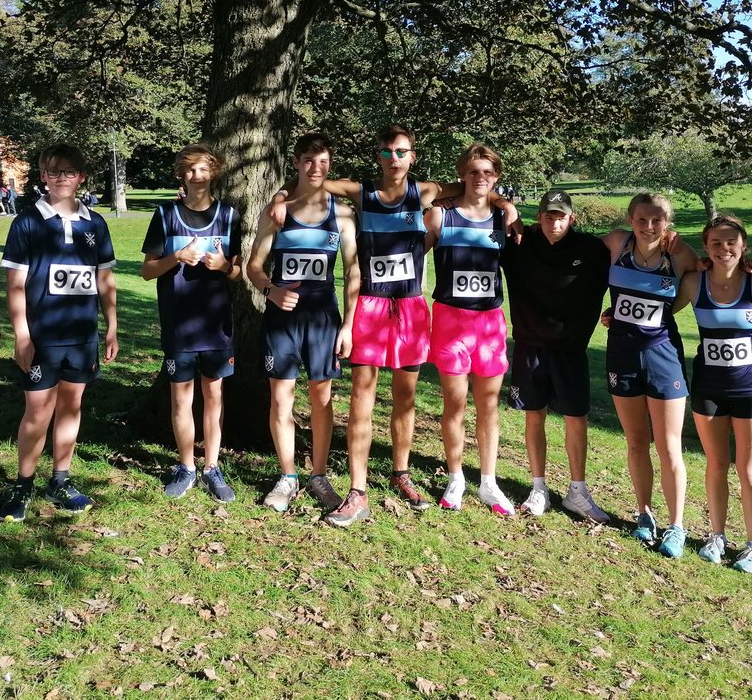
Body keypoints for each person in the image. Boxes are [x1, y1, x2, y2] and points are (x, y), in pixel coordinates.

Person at [270, 125, 520, 527]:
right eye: (386, 152)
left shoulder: (425, 193)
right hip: (369, 307)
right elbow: (309, 178)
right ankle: (358, 489)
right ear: (379, 157)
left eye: (401, 152)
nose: (394, 159)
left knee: (405, 398)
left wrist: (505, 204)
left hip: (410, 308)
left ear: (412, 157)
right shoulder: (359, 190)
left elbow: (475, 186)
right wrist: (283, 196)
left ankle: (401, 472)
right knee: (361, 399)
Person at [0, 144, 118, 521]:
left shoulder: (95, 223)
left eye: (68, 172)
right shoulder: (28, 222)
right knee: (37, 410)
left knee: (71, 406)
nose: (60, 179)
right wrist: (22, 335)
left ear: (81, 177)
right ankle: (23, 483)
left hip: (82, 335)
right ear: (42, 175)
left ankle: (60, 480)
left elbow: (105, 279)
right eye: (53, 172)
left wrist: (111, 327)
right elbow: (14, 284)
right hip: (42, 335)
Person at [246, 133, 360, 515]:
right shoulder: (276, 211)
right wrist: (271, 290)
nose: (317, 168)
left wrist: (347, 327)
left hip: (324, 319)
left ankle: (320, 474)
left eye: (324, 161)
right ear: (296, 163)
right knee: (282, 398)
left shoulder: (341, 214)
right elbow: (254, 266)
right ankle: (288, 476)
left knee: (322, 397)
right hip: (282, 319)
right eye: (310, 160)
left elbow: (354, 271)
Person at [672, 215, 752, 574]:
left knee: (748, 468)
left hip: (751, 388)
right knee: (716, 464)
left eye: (731, 242)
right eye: (716, 243)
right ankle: (716, 536)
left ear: (743, 246)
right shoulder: (693, 283)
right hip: (708, 387)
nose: (724, 249)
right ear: (706, 247)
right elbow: (660, 310)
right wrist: (617, 315)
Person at [500, 190, 611, 522]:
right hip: (530, 346)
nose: (554, 222)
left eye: (560, 216)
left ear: (571, 219)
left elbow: (629, 244)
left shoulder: (591, 249)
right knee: (534, 416)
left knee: (576, 419)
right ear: (539, 217)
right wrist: (505, 204)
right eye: (548, 216)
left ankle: (578, 491)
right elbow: (477, 199)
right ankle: (539, 488)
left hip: (571, 350)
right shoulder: (520, 243)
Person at [141, 144, 242, 503]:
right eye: (189, 170)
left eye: (202, 170)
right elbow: (146, 270)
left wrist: (224, 267)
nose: (196, 176)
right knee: (181, 398)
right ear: (181, 174)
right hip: (178, 323)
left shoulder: (229, 216)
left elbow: (240, 270)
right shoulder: (166, 214)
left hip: (216, 325)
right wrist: (176, 257)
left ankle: (212, 467)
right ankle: (186, 466)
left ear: (213, 172)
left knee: (213, 396)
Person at [603, 192, 699, 557]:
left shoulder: (679, 253)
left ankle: (676, 525)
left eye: (657, 220)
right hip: (622, 353)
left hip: (663, 354)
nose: (648, 226)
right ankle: (644, 514)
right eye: (642, 219)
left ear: (667, 223)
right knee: (635, 441)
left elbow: (713, 268)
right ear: (631, 220)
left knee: (669, 445)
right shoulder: (617, 242)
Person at [425, 143, 516, 516]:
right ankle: (456, 476)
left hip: (489, 322)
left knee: (488, 405)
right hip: (450, 319)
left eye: (488, 173)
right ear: (462, 173)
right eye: (474, 172)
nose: (481, 179)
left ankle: (489, 482)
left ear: (496, 177)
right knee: (455, 404)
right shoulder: (439, 216)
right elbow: (412, 254)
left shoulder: (505, 220)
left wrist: (505, 204)